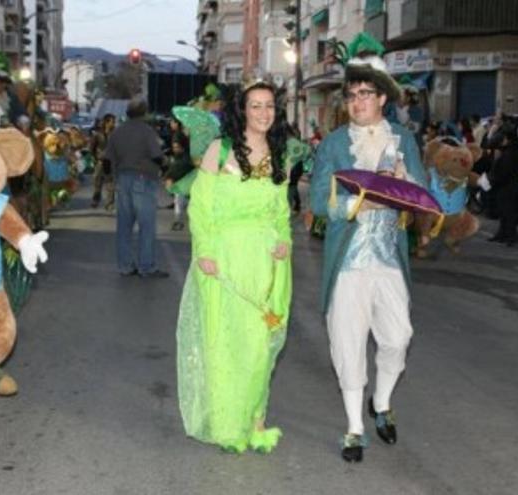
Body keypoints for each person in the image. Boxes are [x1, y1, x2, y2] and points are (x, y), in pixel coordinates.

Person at [310, 33, 426, 464]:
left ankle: (382, 402)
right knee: (348, 343)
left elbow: (421, 195)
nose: (357, 102)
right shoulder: (335, 144)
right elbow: (319, 199)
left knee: (398, 338)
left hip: (389, 256)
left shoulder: (404, 141)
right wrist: (359, 203)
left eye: (365, 94)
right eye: (352, 95)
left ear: (383, 99)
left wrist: (405, 184)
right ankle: (354, 427)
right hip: (348, 261)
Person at [176, 76, 292, 454]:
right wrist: (205, 250)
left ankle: (255, 421)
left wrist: (284, 243)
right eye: (255, 105)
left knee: (260, 344)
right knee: (226, 341)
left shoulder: (281, 154)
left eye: (269, 106)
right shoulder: (220, 150)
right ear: (242, 111)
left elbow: (281, 211)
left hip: (264, 263)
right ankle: (228, 423)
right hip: (223, 261)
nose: (263, 112)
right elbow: (201, 204)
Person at [103, 100, 167, 277]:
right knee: (146, 226)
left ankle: (125, 266)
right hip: (143, 179)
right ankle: (146, 266)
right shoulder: (147, 131)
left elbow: (107, 159)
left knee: (124, 226)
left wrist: (109, 180)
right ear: (144, 113)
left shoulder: (117, 132)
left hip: (123, 179)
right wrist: (165, 163)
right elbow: (156, 155)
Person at [486, 122, 518, 245]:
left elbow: (505, 171)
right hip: (509, 185)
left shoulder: (511, 153)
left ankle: (509, 235)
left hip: (509, 186)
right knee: (504, 211)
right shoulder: (513, 151)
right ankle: (503, 233)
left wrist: (494, 179)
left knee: (508, 212)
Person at [163, 135, 194, 231]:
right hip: (182, 186)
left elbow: (178, 168)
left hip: (189, 184)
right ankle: (178, 222)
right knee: (179, 203)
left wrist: (169, 177)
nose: (175, 149)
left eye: (177, 147)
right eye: (174, 147)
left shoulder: (187, 158)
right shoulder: (179, 156)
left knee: (184, 204)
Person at [90, 113, 116, 209]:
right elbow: (92, 148)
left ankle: (109, 203)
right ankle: (95, 200)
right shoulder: (98, 134)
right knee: (97, 183)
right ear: (106, 122)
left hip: (111, 162)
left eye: (114, 122)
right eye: (112, 122)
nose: (113, 124)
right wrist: (95, 158)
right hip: (100, 162)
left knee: (111, 184)